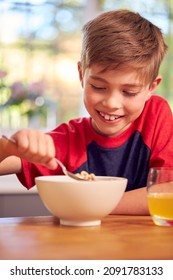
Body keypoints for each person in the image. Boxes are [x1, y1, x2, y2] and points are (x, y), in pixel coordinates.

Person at [0, 10, 173, 215]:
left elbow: (168, 190)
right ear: (82, 75)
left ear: (151, 88)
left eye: (129, 92)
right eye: (99, 87)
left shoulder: (156, 115)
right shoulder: (68, 140)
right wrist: (11, 148)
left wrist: (90, 206)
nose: (111, 103)